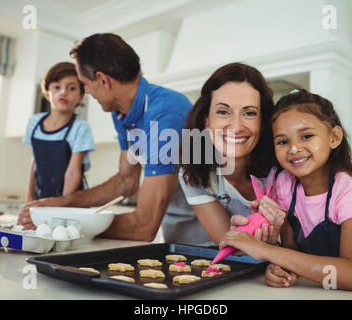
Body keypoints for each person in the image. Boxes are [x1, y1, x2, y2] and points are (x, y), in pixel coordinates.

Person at [18, 33, 198, 244]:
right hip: (176, 232)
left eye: (84, 84)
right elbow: (126, 181)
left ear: (103, 80)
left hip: (210, 239)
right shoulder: (122, 112)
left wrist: (64, 222)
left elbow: (144, 226)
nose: (86, 91)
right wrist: (62, 204)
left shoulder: (165, 113)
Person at [221, 89, 352, 290]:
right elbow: (296, 254)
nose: (294, 148)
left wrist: (265, 250)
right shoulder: (285, 186)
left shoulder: (348, 192)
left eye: (306, 136)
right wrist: (281, 269)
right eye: (283, 141)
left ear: (334, 137)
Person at [178, 63, 284, 246]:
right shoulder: (195, 174)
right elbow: (231, 246)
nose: (236, 127)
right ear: (206, 121)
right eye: (223, 112)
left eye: (249, 113)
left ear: (263, 122)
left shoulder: (284, 169)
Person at [23, 62, 95, 201]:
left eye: (72, 88)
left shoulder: (80, 128)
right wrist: (29, 200)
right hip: (41, 200)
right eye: (57, 87)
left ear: (81, 97)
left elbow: (73, 173)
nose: (63, 92)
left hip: (70, 202)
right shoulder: (34, 123)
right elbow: (35, 162)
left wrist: (60, 205)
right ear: (48, 94)